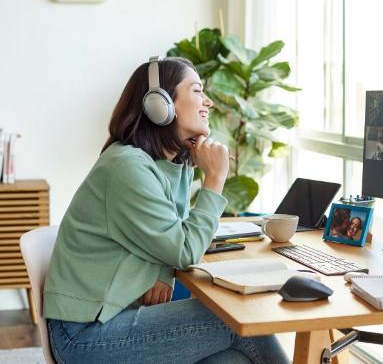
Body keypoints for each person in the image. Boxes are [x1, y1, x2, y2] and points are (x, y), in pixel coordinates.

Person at [43, 57, 290, 364]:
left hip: (119, 315)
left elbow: (171, 232)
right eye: (197, 91)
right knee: (237, 321)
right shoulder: (127, 168)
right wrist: (215, 179)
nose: (208, 102)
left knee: (233, 360)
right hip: (85, 335)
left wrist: (163, 270)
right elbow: (185, 249)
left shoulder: (169, 165)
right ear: (159, 105)